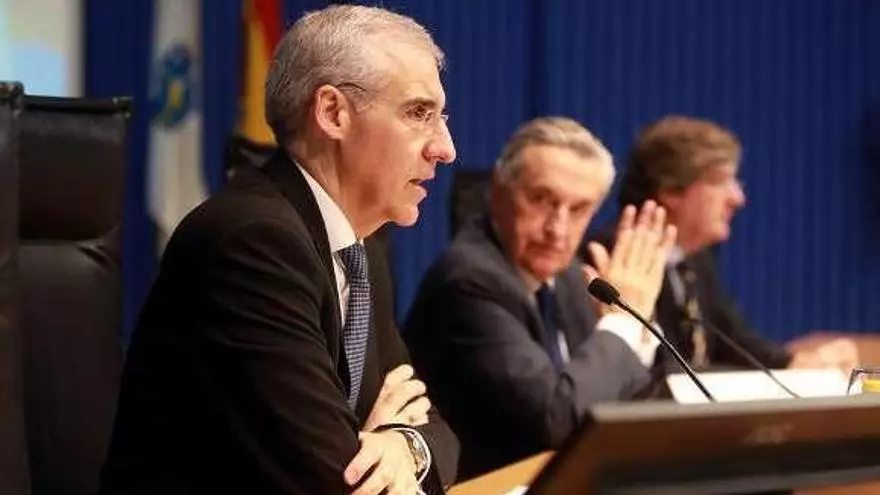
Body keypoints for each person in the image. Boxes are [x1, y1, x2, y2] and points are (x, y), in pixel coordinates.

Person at [100, 5, 459, 494]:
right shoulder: (251, 244)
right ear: (332, 112)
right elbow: (335, 477)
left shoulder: (360, 248)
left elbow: (435, 427)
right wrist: (372, 444)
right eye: (419, 113)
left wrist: (402, 445)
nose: (445, 148)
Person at [403, 117, 676, 479]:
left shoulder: (570, 277)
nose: (557, 230)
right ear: (498, 191)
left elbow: (625, 396)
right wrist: (623, 324)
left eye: (578, 209)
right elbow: (557, 421)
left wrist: (637, 324)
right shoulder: (468, 281)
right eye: (541, 200)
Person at [605, 115, 858, 373]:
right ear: (671, 191)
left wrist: (795, 363)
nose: (737, 198)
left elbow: (735, 340)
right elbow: (655, 372)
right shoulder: (611, 261)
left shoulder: (697, 259)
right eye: (720, 181)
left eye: (735, 181)